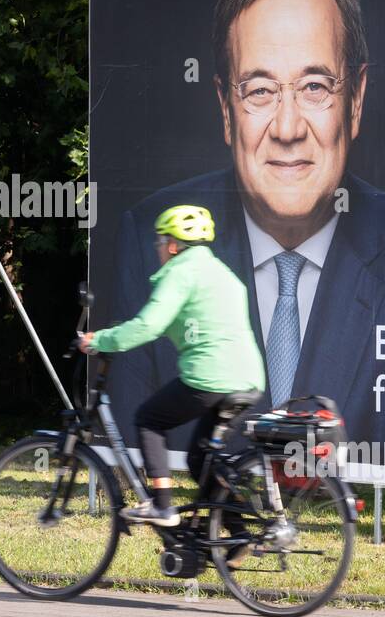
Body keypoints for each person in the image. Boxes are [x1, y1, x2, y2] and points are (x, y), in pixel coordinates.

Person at [109, 0, 385, 468]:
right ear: (226, 109)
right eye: (259, 90)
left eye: (314, 86)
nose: (286, 128)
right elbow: (128, 455)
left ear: (356, 100)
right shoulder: (148, 239)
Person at [80, 205, 265, 528]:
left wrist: (101, 340)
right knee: (200, 460)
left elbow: (148, 326)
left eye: (160, 241)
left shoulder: (180, 272)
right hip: (247, 380)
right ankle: (239, 537)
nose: (158, 248)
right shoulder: (221, 272)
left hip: (210, 378)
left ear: (174, 245)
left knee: (149, 419)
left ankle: (162, 505)